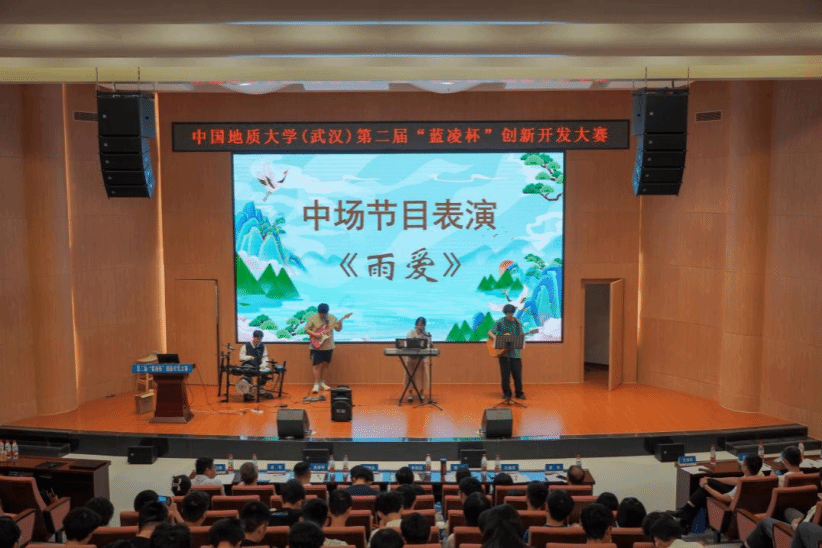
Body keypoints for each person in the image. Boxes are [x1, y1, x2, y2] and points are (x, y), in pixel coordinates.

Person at [674, 453, 763, 531]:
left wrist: (705, 486)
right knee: (709, 483)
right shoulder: (760, 475)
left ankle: (685, 514)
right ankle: (685, 517)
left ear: (746, 468)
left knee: (704, 491)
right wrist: (713, 479)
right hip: (748, 506)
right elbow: (736, 480)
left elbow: (722, 498)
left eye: (743, 463)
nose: (741, 464)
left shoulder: (742, 486)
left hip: (730, 509)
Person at [487, 303, 526, 400]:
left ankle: (519, 393)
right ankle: (507, 393)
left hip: (515, 354)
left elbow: (521, 336)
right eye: (508, 313)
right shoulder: (500, 322)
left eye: (512, 313)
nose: (510, 315)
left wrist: (520, 338)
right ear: (505, 313)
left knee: (517, 375)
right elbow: (490, 332)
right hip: (503, 353)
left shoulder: (517, 323)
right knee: (505, 375)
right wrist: (496, 338)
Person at [304, 303, 345, 394]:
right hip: (316, 346)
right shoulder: (312, 318)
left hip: (328, 346)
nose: (323, 316)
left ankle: (323, 382)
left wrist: (340, 323)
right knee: (316, 365)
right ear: (318, 312)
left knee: (326, 365)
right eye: (321, 314)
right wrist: (315, 334)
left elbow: (338, 329)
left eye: (325, 314)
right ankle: (316, 383)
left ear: (327, 312)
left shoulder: (332, 318)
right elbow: (307, 329)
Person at [238, 329, 273, 401]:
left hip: (258, 365)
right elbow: (241, 357)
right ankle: (247, 393)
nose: (258, 340)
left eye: (260, 339)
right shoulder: (246, 345)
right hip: (248, 364)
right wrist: (250, 357)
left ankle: (260, 389)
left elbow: (265, 357)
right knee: (248, 372)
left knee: (265, 372)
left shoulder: (263, 346)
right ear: (253, 337)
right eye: (257, 338)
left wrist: (264, 364)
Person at [403, 317, 431, 402]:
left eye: (422, 325)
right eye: (418, 325)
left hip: (421, 358)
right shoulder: (410, 333)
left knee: (422, 374)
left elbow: (429, 345)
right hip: (411, 358)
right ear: (415, 325)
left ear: (424, 326)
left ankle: (421, 393)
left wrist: (429, 340)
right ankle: (410, 394)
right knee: (409, 374)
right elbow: (406, 344)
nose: (420, 327)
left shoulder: (426, 334)